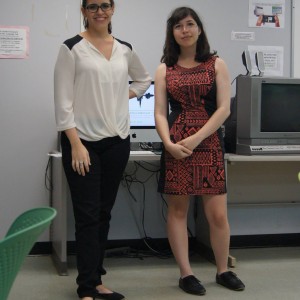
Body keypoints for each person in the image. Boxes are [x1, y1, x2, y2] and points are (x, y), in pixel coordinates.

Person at [54, 1, 151, 299]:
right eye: (93, 6)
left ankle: (96, 281)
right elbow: (62, 102)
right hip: (81, 143)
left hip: (117, 142)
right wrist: (75, 144)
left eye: (105, 5)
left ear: (113, 9)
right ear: (83, 11)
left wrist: (124, 94)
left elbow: (144, 79)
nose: (100, 11)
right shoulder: (71, 48)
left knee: (103, 214)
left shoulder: (124, 48)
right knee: (87, 216)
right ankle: (85, 288)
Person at [154, 7, 245, 295]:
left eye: (190, 24)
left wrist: (197, 139)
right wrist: (168, 143)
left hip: (207, 145)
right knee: (178, 211)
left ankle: (222, 270)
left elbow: (224, 109)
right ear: (172, 33)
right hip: (176, 145)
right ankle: (186, 274)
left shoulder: (216, 64)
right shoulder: (164, 68)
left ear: (199, 29)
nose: (185, 30)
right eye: (178, 26)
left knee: (217, 214)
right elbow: (159, 113)